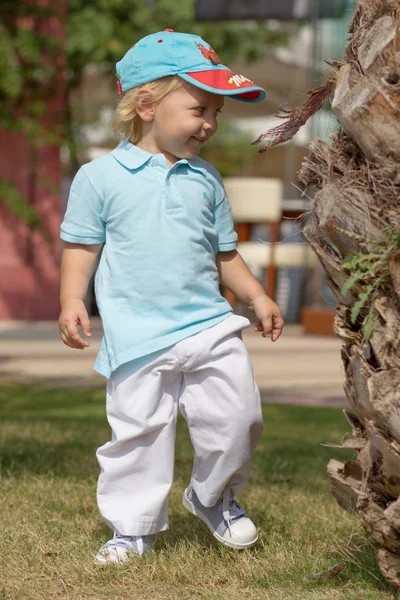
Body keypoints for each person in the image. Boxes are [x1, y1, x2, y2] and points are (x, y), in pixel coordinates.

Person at [58, 29, 284, 564]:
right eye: (199, 109)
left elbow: (224, 253)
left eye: (216, 114)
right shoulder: (99, 177)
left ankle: (211, 496)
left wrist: (256, 296)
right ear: (146, 103)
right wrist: (72, 299)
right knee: (138, 436)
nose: (208, 123)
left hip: (209, 324)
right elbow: (81, 246)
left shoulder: (206, 180)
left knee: (240, 417)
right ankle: (133, 529)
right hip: (137, 337)